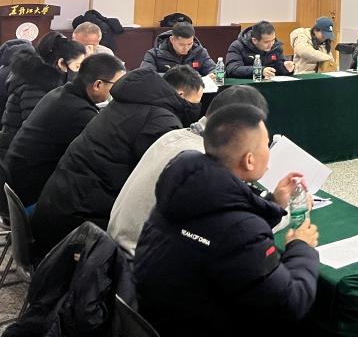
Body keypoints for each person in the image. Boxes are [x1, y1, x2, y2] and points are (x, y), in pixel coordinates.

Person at [134, 104, 319, 337]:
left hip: (158, 319)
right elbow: (288, 305)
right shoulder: (241, 231)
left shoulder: (182, 188)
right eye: (266, 145)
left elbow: (223, 217)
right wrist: (301, 247)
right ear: (249, 160)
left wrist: (274, 203)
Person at [30, 65, 205, 254]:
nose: (196, 109)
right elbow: (164, 185)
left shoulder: (126, 103)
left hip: (58, 211)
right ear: (180, 95)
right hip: (77, 231)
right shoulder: (161, 121)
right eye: (196, 102)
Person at [108, 84, 269, 256]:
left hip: (115, 246)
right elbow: (231, 232)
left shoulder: (174, 135)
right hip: (138, 259)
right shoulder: (203, 160)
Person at [4, 53, 125, 207]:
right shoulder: (79, 111)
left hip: (16, 183)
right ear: (98, 85)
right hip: (32, 196)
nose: (120, 90)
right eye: (117, 84)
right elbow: (103, 156)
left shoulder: (60, 94)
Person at [0, 32, 86, 160]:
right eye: (77, 66)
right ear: (61, 63)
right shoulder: (35, 85)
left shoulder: (45, 81)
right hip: (18, 155)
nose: (79, 73)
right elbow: (33, 132)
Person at [140, 21, 216, 76]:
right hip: (165, 91)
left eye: (190, 44)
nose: (186, 48)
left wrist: (213, 74)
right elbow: (146, 75)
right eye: (181, 44)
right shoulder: (153, 54)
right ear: (172, 40)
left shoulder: (200, 52)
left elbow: (214, 69)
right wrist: (177, 77)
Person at [225, 21, 295, 79]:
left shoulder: (276, 46)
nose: (271, 44)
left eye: (273, 40)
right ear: (254, 40)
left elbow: (278, 68)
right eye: (266, 42)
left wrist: (285, 67)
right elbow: (233, 69)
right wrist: (259, 71)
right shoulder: (237, 46)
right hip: (244, 87)